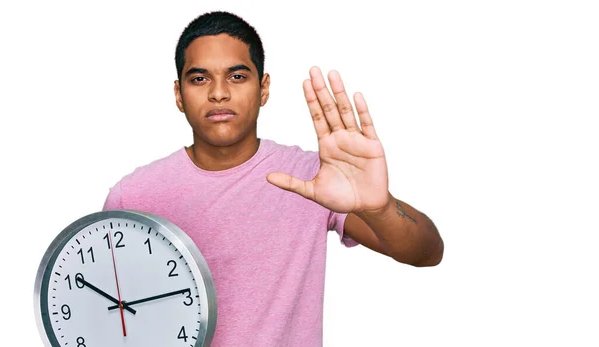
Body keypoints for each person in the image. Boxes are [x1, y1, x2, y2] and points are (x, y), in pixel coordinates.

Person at [102, 10, 443, 346]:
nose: (218, 93)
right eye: (200, 78)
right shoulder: (132, 196)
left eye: (237, 76)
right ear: (179, 94)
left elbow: (427, 252)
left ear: (264, 88)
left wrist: (379, 207)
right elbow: (108, 320)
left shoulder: (314, 178)